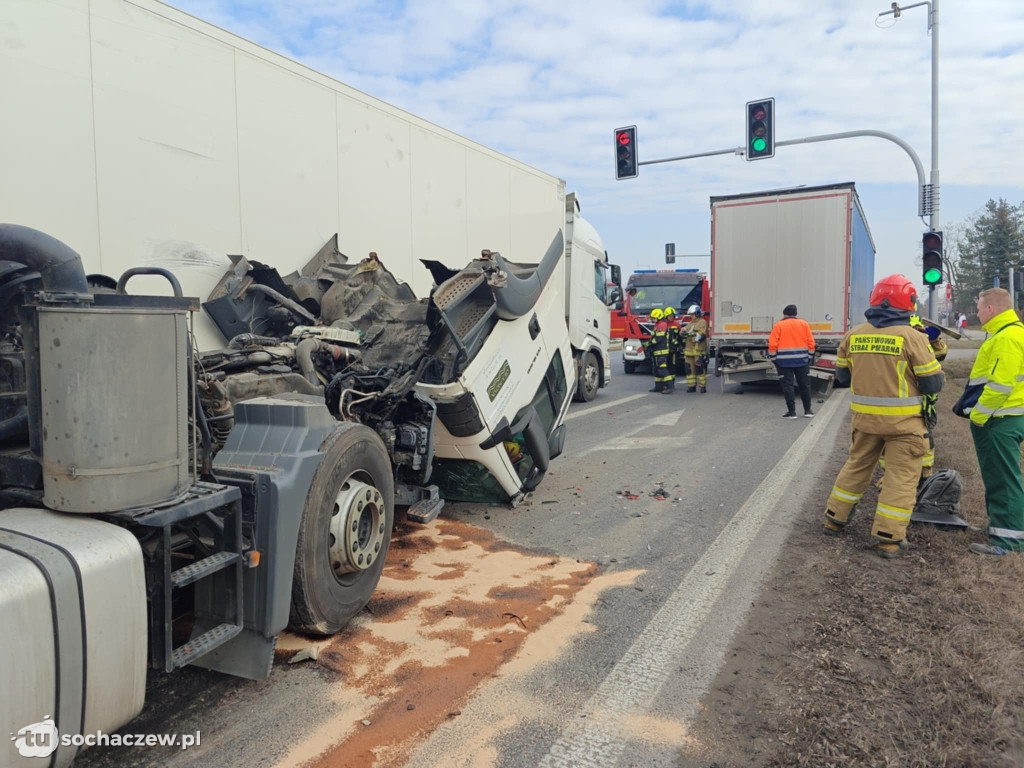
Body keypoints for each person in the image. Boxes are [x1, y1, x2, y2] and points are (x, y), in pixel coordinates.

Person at [823, 274, 944, 559]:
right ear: (909, 303)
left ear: (875, 300)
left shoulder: (853, 335)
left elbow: (841, 376)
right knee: (900, 478)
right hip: (905, 426)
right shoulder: (912, 337)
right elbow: (932, 384)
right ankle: (888, 539)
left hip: (865, 421)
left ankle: (833, 519)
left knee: (855, 467)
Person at [962, 288, 1024, 556]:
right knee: (1000, 477)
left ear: (991, 309)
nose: (976, 312)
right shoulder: (1010, 333)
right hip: (1007, 416)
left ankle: (1007, 542)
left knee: (1003, 480)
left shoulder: (1006, 338)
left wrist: (978, 416)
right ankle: (999, 527)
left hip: (999, 419)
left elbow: (1000, 385)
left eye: (979, 307)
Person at [877, 314, 947, 483]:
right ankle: (890, 476)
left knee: (924, 440)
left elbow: (941, 354)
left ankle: (924, 477)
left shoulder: (920, 335)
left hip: (922, 401)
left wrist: (934, 340)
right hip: (900, 397)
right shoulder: (894, 336)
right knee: (890, 441)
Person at [768, 304, 816, 419]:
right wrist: (809, 357)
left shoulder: (779, 325)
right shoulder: (804, 324)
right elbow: (811, 343)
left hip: (783, 362)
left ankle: (792, 412)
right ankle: (808, 411)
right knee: (805, 385)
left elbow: (772, 344)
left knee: (788, 386)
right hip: (802, 361)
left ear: (784, 314)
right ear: (795, 314)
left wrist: (774, 358)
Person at [682, 304, 709, 393]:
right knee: (689, 369)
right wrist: (682, 331)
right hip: (689, 351)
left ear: (697, 313)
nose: (691, 316)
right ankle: (691, 386)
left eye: (692, 314)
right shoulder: (690, 323)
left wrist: (693, 334)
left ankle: (702, 387)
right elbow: (684, 330)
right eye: (690, 315)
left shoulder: (702, 322)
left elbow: (701, 335)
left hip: (698, 350)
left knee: (699, 369)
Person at [648, 308, 673, 393]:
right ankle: (658, 386)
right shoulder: (657, 325)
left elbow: (658, 338)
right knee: (656, 370)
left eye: (653, 318)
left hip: (661, 351)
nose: (652, 319)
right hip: (657, 351)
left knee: (662, 369)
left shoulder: (662, 324)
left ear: (659, 317)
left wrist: (650, 343)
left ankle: (670, 387)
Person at [663, 306, 682, 391]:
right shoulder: (663, 325)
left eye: (672, 315)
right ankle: (665, 384)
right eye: (669, 315)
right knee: (664, 366)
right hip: (664, 349)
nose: (671, 317)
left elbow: (680, 337)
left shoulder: (677, 324)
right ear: (666, 316)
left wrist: (680, 346)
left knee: (672, 367)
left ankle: (672, 383)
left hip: (673, 350)